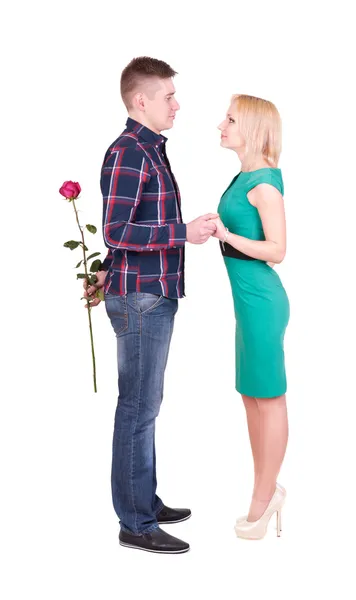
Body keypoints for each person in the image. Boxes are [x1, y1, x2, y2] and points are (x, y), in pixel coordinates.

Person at [83, 57, 217, 554]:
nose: (176, 105)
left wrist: (104, 269)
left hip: (149, 292)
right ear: (142, 101)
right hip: (140, 298)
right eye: (168, 97)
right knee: (137, 408)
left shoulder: (150, 150)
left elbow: (121, 232)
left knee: (146, 406)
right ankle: (135, 523)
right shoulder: (128, 153)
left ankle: (145, 500)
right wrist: (183, 233)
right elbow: (117, 230)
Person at [210, 94, 290, 540]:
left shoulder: (264, 183)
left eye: (230, 119)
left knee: (269, 397)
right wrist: (217, 232)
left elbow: (278, 251)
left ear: (254, 128)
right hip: (246, 303)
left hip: (262, 302)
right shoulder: (243, 177)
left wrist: (225, 234)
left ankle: (264, 498)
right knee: (250, 395)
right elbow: (238, 235)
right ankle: (266, 487)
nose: (221, 125)